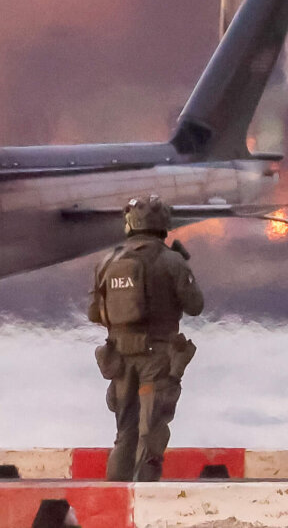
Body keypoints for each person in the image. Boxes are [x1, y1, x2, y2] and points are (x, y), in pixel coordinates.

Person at [89, 195, 203, 482]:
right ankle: (146, 498)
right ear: (163, 224)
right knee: (151, 430)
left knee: (124, 433)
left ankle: (115, 500)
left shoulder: (107, 261)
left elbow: (95, 313)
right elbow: (195, 306)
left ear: (130, 224)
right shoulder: (172, 260)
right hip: (156, 358)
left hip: (119, 360)